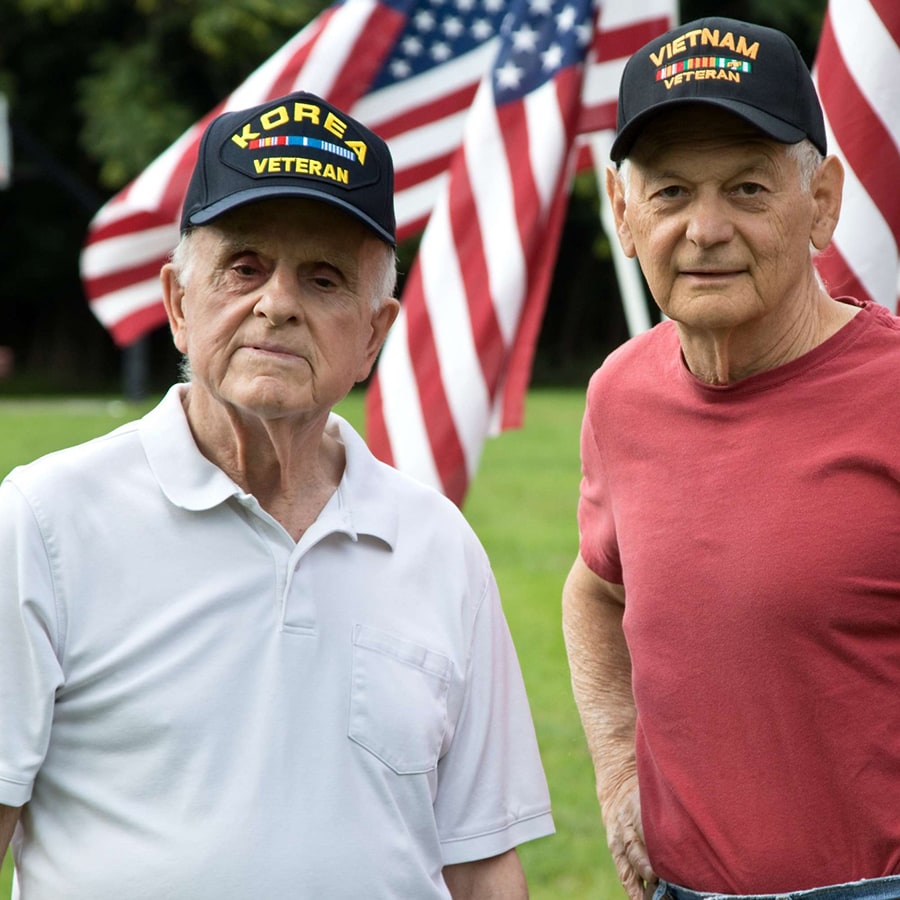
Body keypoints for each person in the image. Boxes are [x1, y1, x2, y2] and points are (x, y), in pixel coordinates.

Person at [0, 91, 555, 899]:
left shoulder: (439, 546)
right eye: (244, 267)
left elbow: (482, 865)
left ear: (373, 336)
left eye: (324, 278)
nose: (278, 304)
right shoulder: (46, 522)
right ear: (178, 304)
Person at [562, 16, 900, 900]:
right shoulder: (619, 395)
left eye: (748, 188)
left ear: (821, 201)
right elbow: (595, 590)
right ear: (623, 212)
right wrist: (618, 771)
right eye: (671, 193)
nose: (705, 229)